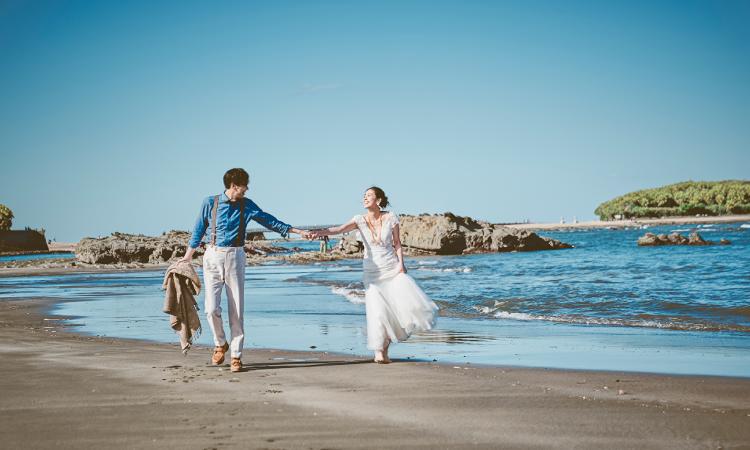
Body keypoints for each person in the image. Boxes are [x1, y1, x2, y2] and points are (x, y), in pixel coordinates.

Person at [181, 168, 310, 372]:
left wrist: (298, 231)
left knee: (237, 308)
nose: (247, 189)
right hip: (212, 255)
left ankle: (235, 355)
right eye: (244, 186)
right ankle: (220, 343)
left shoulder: (246, 205)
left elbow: (269, 220)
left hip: (235, 256)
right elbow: (198, 229)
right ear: (234, 185)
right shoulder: (210, 202)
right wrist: (187, 256)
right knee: (210, 308)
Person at [310, 187, 438, 363]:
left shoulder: (391, 217)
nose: (364, 198)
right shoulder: (358, 219)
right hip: (372, 272)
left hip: (392, 268)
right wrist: (319, 232)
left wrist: (402, 264)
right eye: (363, 196)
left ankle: (385, 351)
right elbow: (339, 229)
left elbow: (397, 244)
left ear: (378, 200)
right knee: (377, 311)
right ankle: (379, 352)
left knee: (394, 309)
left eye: (369, 195)